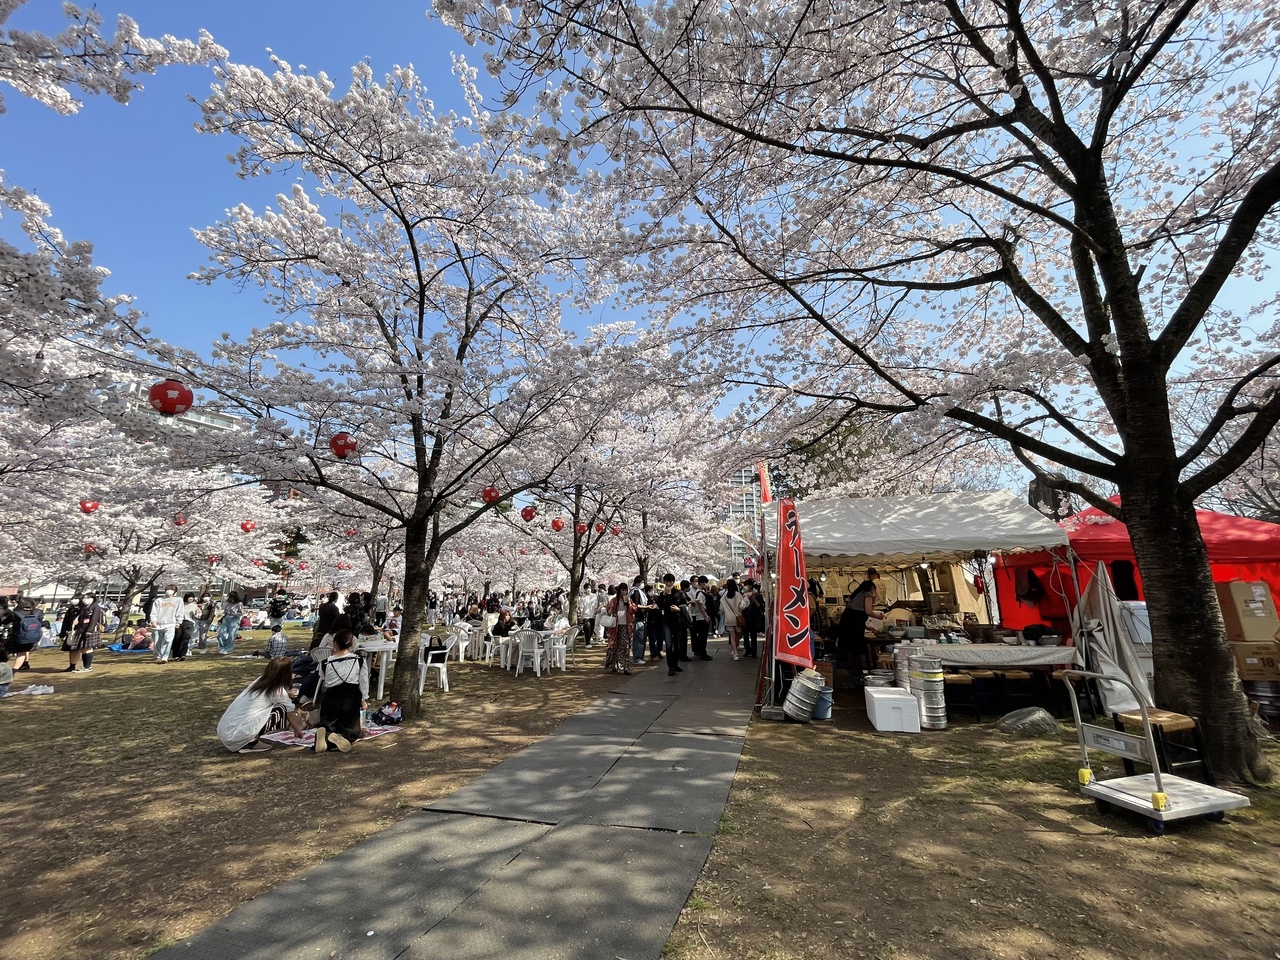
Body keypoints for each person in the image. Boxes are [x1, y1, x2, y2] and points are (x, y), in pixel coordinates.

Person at [216, 656, 308, 753]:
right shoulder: (277, 689)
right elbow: (290, 712)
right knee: (281, 708)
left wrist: (286, 694)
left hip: (225, 730)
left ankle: (248, 739)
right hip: (235, 735)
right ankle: (249, 742)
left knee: (278, 707)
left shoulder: (260, 680)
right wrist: (297, 730)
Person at [314, 630, 367, 753]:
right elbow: (363, 681)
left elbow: (323, 677)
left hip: (331, 696)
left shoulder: (325, 662)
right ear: (351, 644)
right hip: (351, 697)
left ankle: (326, 734)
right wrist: (364, 699)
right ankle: (341, 737)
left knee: (328, 723)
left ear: (335, 643)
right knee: (351, 729)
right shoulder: (359, 660)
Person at [841, 569, 881, 680]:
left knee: (852, 648)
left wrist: (867, 627)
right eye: (874, 590)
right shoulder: (867, 593)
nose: (873, 592)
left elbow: (855, 615)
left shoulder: (857, 594)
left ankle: (855, 672)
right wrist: (878, 616)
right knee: (857, 648)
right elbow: (868, 611)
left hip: (848, 622)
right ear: (871, 588)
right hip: (854, 623)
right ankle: (857, 674)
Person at [66, 593, 103, 672]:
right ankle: (85, 666)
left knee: (87, 648)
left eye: (88, 597)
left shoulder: (95, 607)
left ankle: (87, 667)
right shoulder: (85, 607)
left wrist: (89, 630)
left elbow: (94, 619)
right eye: (84, 598)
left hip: (90, 630)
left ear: (93, 598)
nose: (85, 599)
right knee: (83, 649)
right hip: (82, 630)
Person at [603, 583, 635, 675]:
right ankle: (614, 664)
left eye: (625, 590)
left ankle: (625, 666)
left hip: (626, 625)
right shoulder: (614, 600)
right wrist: (610, 610)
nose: (624, 592)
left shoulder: (628, 600)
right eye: (622, 590)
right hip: (615, 626)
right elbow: (609, 611)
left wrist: (628, 604)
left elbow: (634, 610)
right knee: (614, 645)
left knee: (625, 645)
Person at [150, 583, 184, 663]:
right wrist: (153, 620)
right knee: (157, 641)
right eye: (168, 589)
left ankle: (165, 657)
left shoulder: (178, 600)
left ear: (175, 591)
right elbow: (154, 612)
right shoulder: (159, 600)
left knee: (168, 640)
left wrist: (178, 622)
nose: (169, 591)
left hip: (171, 623)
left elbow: (180, 611)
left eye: (172, 589)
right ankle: (158, 656)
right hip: (159, 624)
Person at [8, 597, 42, 671]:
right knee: (24, 651)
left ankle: (14, 670)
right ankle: (24, 664)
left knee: (21, 653)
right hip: (33, 636)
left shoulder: (16, 613)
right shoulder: (38, 612)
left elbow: (6, 621)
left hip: (19, 636)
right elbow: (40, 622)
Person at [629, 576, 655, 664]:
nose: (643, 584)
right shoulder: (635, 591)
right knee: (638, 638)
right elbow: (635, 605)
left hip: (642, 618)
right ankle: (637, 658)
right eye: (642, 582)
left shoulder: (640, 591)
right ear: (637, 583)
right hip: (638, 618)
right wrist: (646, 607)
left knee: (642, 638)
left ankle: (640, 656)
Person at [721, 579, 747, 660]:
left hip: (729, 618)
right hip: (737, 618)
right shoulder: (738, 595)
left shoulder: (724, 596)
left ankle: (735, 651)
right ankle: (735, 649)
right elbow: (742, 607)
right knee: (738, 634)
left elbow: (721, 608)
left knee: (732, 635)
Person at [687, 577, 713, 660]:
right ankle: (703, 653)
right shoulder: (700, 594)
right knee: (702, 637)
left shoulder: (698, 593)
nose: (706, 584)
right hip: (701, 617)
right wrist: (706, 617)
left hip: (698, 617)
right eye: (705, 583)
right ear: (702, 583)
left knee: (701, 636)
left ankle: (700, 652)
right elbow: (701, 606)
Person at [741, 582, 766, 658]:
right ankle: (747, 650)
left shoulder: (757, 595)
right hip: (745, 617)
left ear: (751, 586)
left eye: (747, 585)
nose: (745, 587)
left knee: (753, 635)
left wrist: (754, 600)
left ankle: (754, 651)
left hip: (754, 617)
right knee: (745, 634)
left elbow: (761, 606)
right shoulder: (744, 595)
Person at [172, 593, 199, 661]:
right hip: (179, 622)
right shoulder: (181, 605)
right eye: (189, 597)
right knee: (177, 638)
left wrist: (196, 613)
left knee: (186, 638)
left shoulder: (195, 606)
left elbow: (198, 616)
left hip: (189, 623)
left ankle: (182, 654)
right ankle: (176, 654)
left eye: (192, 597)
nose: (190, 598)